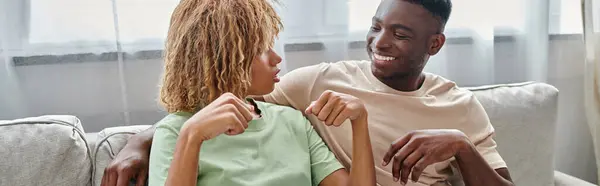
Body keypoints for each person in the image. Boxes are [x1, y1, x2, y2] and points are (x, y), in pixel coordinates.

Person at [101, 0, 514, 186]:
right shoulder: (316, 84)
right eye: (376, 26)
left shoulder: (462, 107)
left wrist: (460, 146)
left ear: (435, 44)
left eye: (400, 34)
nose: (379, 43)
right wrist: (140, 140)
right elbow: (219, 102)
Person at [130, 0, 377, 186]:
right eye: (261, 49)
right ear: (219, 55)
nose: (277, 58)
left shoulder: (292, 121)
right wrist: (191, 137)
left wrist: (360, 120)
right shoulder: (178, 132)